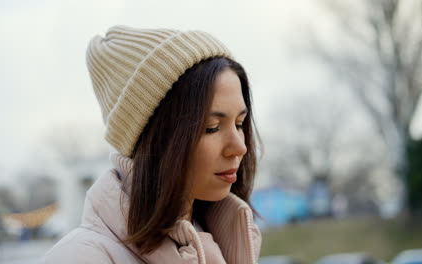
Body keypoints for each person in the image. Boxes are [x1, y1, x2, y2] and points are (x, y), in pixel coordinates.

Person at [41, 25, 261, 264]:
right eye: (211, 127)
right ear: (155, 137)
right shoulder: (80, 258)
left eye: (239, 124)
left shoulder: (224, 242)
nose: (240, 147)